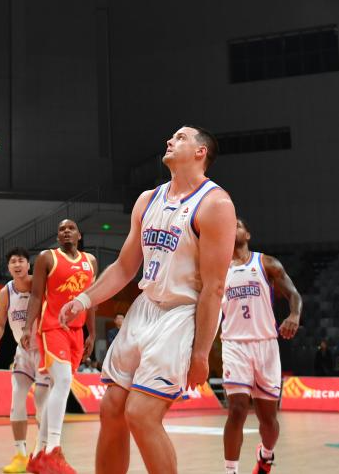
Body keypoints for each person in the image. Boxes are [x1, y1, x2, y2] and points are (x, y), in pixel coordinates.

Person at [60, 126, 236, 474]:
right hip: (145, 307)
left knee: (141, 414)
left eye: (181, 137)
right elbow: (125, 266)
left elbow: (215, 287)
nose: (170, 140)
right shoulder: (147, 199)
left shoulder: (216, 204)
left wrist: (201, 353)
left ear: (200, 152)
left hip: (183, 312)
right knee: (111, 408)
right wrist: (83, 300)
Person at [220, 218, 302, 474]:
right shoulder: (217, 269)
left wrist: (294, 315)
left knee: (268, 419)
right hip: (234, 344)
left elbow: (294, 295)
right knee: (237, 410)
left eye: (238, 225)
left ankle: (266, 455)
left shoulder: (266, 263)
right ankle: (231, 470)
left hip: (265, 345)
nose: (232, 227)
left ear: (248, 234)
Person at [21, 220, 96, 474]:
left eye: (70, 228)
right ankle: (53, 449)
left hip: (77, 331)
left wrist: (92, 333)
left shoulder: (90, 261)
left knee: (58, 386)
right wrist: (27, 328)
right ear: (57, 237)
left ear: (79, 235)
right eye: (61, 229)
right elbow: (36, 295)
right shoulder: (47, 258)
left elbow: (91, 300)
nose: (66, 231)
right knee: (62, 382)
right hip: (53, 327)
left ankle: (38, 455)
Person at [0, 248, 51, 473]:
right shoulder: (5, 292)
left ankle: (42, 452)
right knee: (17, 399)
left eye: (21, 261)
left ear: (28, 264)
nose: (17, 265)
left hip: (44, 350)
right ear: (8, 267)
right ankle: (20, 455)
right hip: (23, 352)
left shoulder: (40, 285)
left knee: (42, 403)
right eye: (13, 261)